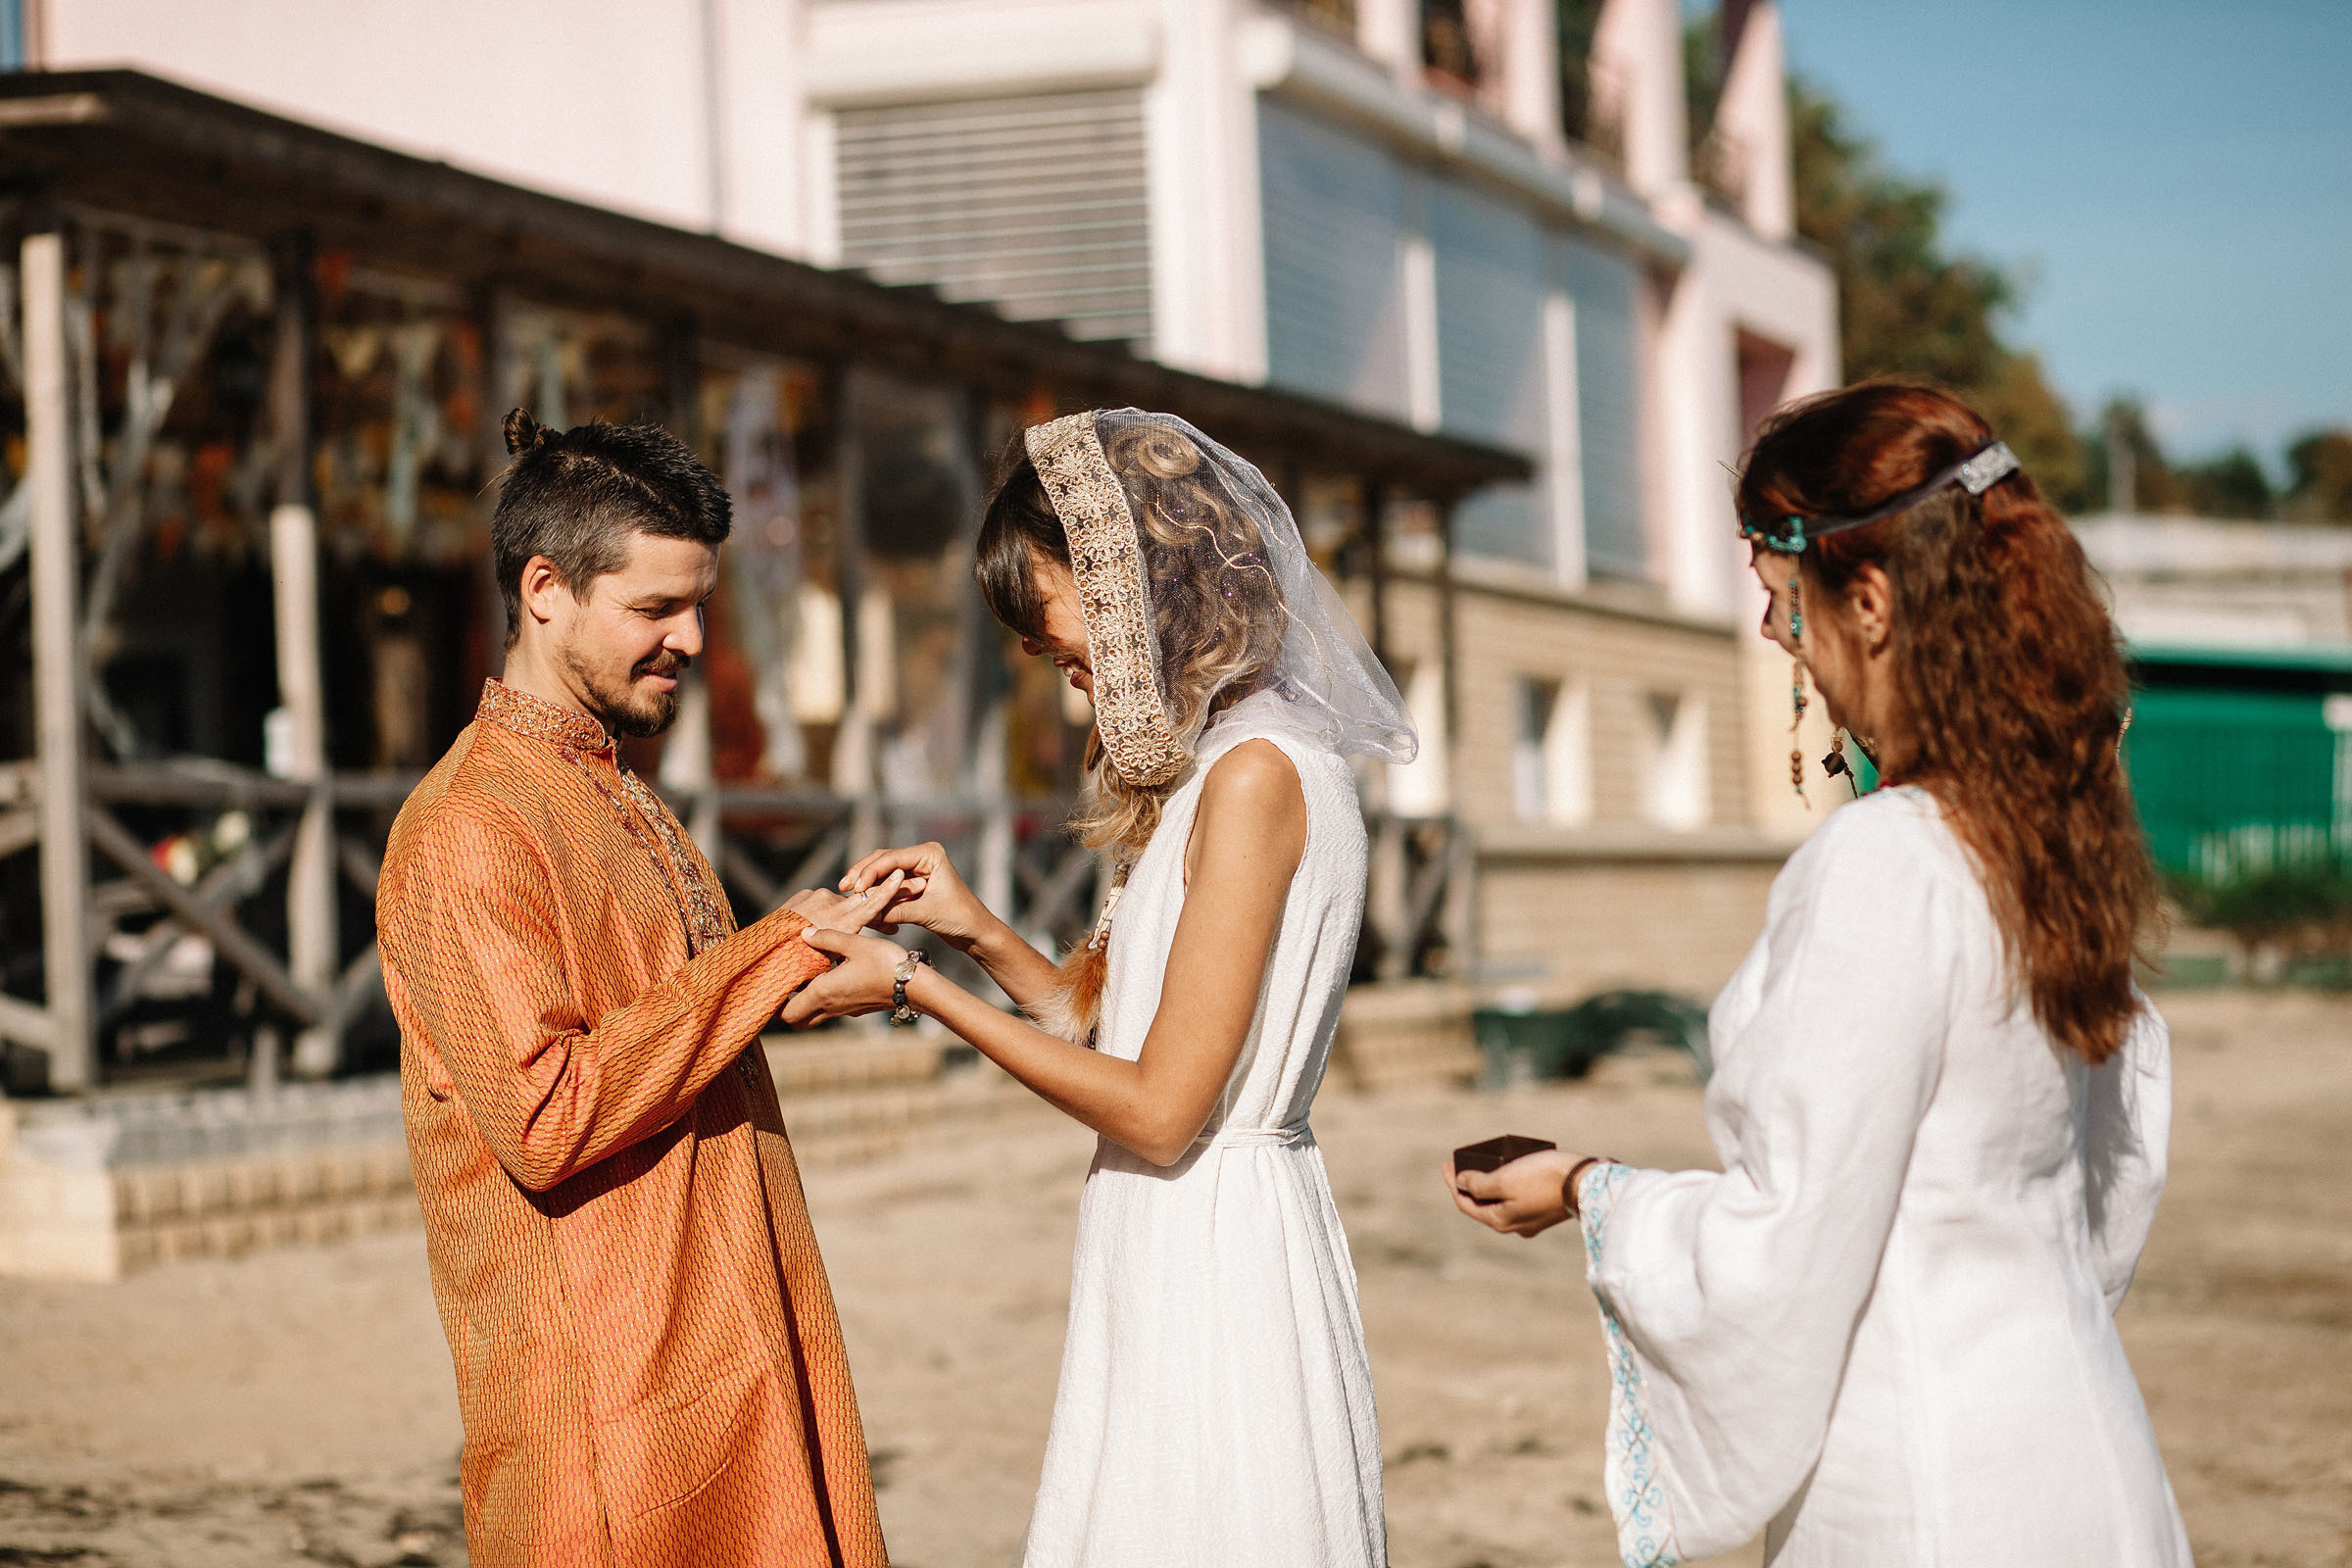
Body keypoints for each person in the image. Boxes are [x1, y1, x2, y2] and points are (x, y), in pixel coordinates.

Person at [1445, 380, 2191, 1567]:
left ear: (1876, 601)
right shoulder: (2053, 840)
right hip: (2080, 1447)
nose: (1773, 638)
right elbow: (2115, 1174)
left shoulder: (1889, 861)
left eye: (1781, 602)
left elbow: (1787, 1243)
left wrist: (1589, 1189)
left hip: (1928, 1486)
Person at [784, 409, 1414, 1566]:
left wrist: (914, 989)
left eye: (1054, 620)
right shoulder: (1217, 767)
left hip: (1214, 1251)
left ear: (1136, 577)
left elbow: (1163, 1108)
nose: (1054, 666)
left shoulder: (1258, 778)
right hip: (1171, 1238)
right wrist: (973, 930)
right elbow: (1108, 1029)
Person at [377, 411, 896, 1568]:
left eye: (697, 604)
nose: (693, 638)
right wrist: (771, 955)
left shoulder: (620, 786)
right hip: (606, 1426)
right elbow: (549, 1114)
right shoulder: (469, 827)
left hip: (733, 1347)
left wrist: (825, 971)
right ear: (545, 589)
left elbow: (671, 1021)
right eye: (655, 609)